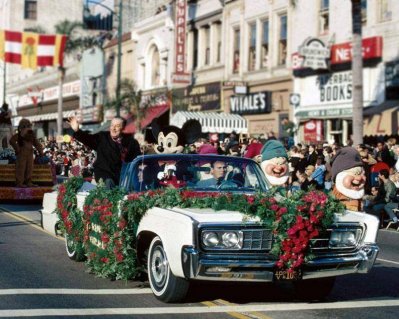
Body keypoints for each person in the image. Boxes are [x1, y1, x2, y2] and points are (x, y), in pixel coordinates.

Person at [68, 116, 141, 189]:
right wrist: (77, 130)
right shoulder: (102, 137)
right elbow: (88, 139)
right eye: (112, 125)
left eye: (117, 126)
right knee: (109, 183)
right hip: (104, 173)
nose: (113, 128)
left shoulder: (131, 142)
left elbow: (137, 159)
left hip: (121, 176)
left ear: (123, 128)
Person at [9, 119, 43, 188]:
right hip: (21, 154)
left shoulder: (31, 135)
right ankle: (19, 182)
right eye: (25, 126)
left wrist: (40, 151)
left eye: (28, 126)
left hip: (30, 154)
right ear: (21, 128)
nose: (27, 128)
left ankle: (28, 182)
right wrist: (17, 148)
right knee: (21, 168)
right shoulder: (18, 135)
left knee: (29, 168)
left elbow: (37, 143)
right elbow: (11, 141)